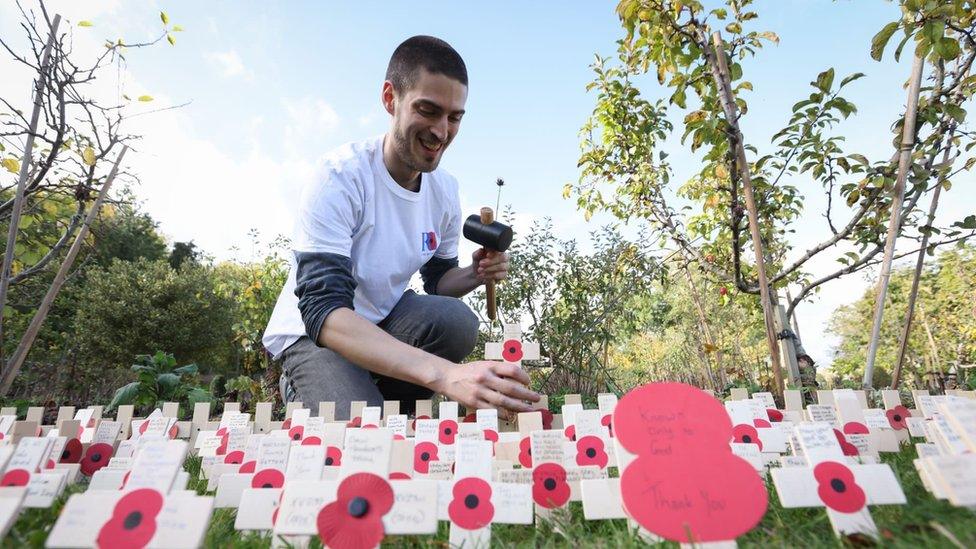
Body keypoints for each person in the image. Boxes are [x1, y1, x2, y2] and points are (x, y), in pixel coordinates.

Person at [262, 35, 540, 420]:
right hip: (315, 335)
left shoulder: (444, 191)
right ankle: (305, 385)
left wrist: (475, 273)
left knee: (456, 322)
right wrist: (445, 376)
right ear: (391, 99)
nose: (441, 131)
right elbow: (323, 310)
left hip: (382, 320)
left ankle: (392, 400)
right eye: (428, 110)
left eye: (454, 117)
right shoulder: (341, 177)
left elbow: (438, 280)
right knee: (365, 434)